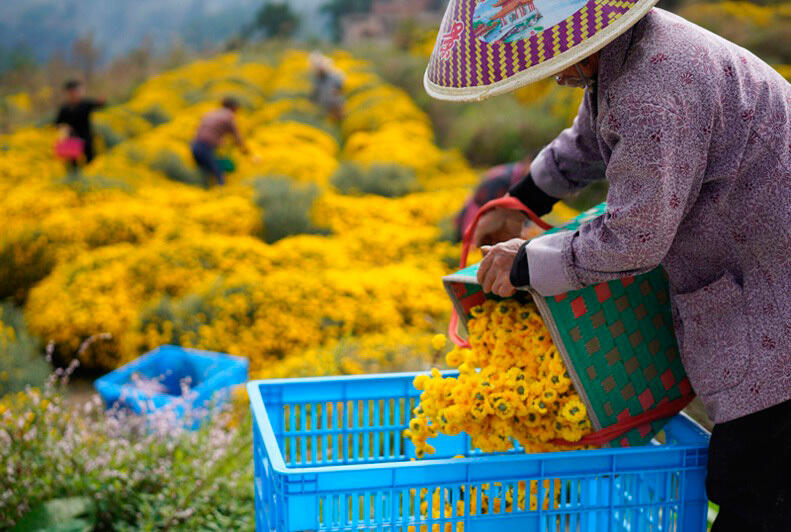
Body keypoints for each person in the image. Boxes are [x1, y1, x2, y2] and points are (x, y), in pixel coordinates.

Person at [425, 1, 790, 530]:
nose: (550, 75)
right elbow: (588, 141)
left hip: (771, 297)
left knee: (756, 486)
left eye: (548, 60)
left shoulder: (653, 89)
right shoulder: (628, 52)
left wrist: (525, 264)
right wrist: (522, 201)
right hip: (752, 273)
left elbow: (633, 240)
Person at [454, 158, 530, 243]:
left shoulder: (520, 175)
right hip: (477, 215)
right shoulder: (502, 179)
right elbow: (490, 208)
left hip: (493, 220)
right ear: (528, 163)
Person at [191, 97, 250, 186]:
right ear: (233, 107)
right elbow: (237, 137)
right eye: (237, 108)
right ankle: (220, 193)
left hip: (195, 144)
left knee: (205, 172)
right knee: (218, 172)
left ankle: (204, 192)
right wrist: (246, 151)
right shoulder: (229, 116)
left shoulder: (212, 113)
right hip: (205, 147)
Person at [54, 79, 105, 167]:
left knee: (91, 161)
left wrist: (102, 102)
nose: (74, 94)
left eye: (77, 91)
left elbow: (99, 105)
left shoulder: (86, 104)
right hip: (71, 140)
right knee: (73, 164)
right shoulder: (65, 108)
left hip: (86, 137)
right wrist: (64, 127)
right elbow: (57, 123)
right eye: (71, 92)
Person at [310, 52, 345, 120]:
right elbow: (315, 92)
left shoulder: (335, 76)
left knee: (339, 118)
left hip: (336, 104)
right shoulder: (317, 79)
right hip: (326, 106)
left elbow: (340, 87)